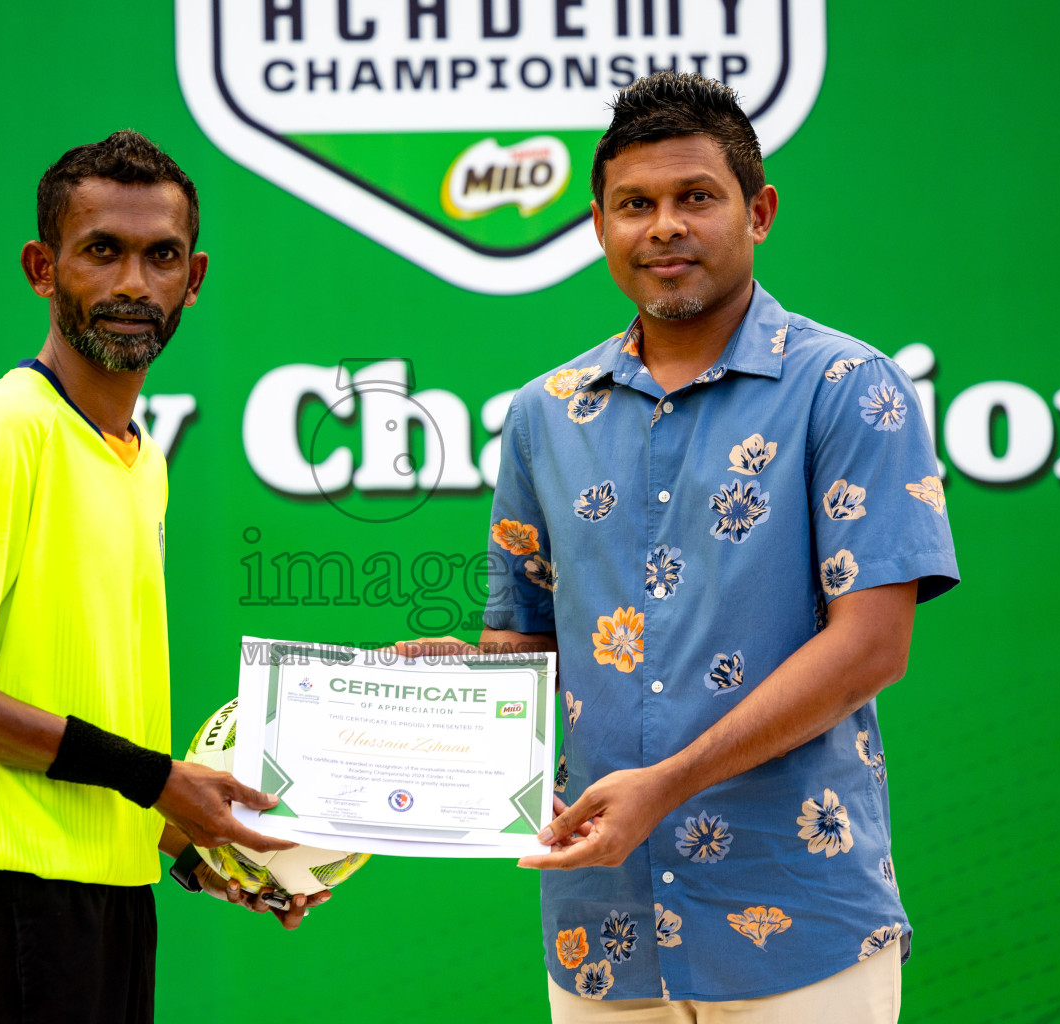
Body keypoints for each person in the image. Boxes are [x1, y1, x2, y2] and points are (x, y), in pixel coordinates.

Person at [404, 72, 958, 1021]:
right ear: (599, 226)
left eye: (695, 197)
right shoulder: (546, 414)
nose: (664, 226)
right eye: (636, 205)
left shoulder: (848, 387)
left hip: (801, 923)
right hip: (599, 931)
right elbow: (527, 650)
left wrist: (667, 785)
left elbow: (873, 646)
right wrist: (453, 695)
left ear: (760, 212)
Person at [0, 130, 325, 1024]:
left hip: (109, 904)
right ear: (44, 268)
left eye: (160, 258)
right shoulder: (6, 428)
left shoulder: (138, 457)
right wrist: (157, 779)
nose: (131, 285)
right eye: (101, 252)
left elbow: (71, 716)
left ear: (193, 280)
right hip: (7, 907)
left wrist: (192, 844)